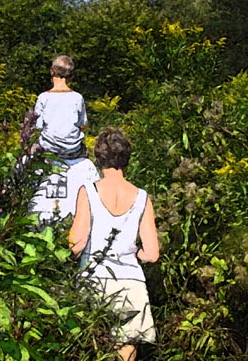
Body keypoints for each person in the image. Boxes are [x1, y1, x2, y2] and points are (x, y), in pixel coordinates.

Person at [69, 127, 159, 361]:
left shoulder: (88, 191)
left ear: (98, 157)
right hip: (131, 282)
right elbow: (152, 254)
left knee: (89, 345)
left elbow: (76, 244)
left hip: (93, 279)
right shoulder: (142, 197)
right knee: (127, 347)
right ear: (127, 158)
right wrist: (132, 250)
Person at [33, 55, 87, 161]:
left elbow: (38, 126)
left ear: (52, 72)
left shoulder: (43, 97)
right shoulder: (78, 97)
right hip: (73, 150)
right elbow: (82, 124)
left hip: (48, 149)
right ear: (71, 77)